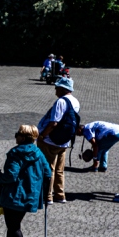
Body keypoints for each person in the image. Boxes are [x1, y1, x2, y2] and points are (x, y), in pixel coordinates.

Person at [0, 125, 53, 237]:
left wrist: (0, 176)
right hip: (30, 196)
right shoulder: (38, 152)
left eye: (17, 134)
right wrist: (45, 193)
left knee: (14, 226)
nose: (15, 136)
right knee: (14, 223)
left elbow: (11, 176)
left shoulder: (15, 153)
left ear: (23, 137)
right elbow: (48, 174)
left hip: (14, 196)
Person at [36, 76, 79, 204]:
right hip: (64, 141)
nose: (55, 90)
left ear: (62, 89)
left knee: (48, 168)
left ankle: (47, 196)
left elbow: (54, 122)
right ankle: (60, 195)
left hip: (51, 141)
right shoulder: (75, 101)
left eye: (56, 87)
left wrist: (42, 135)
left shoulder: (61, 102)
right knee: (59, 170)